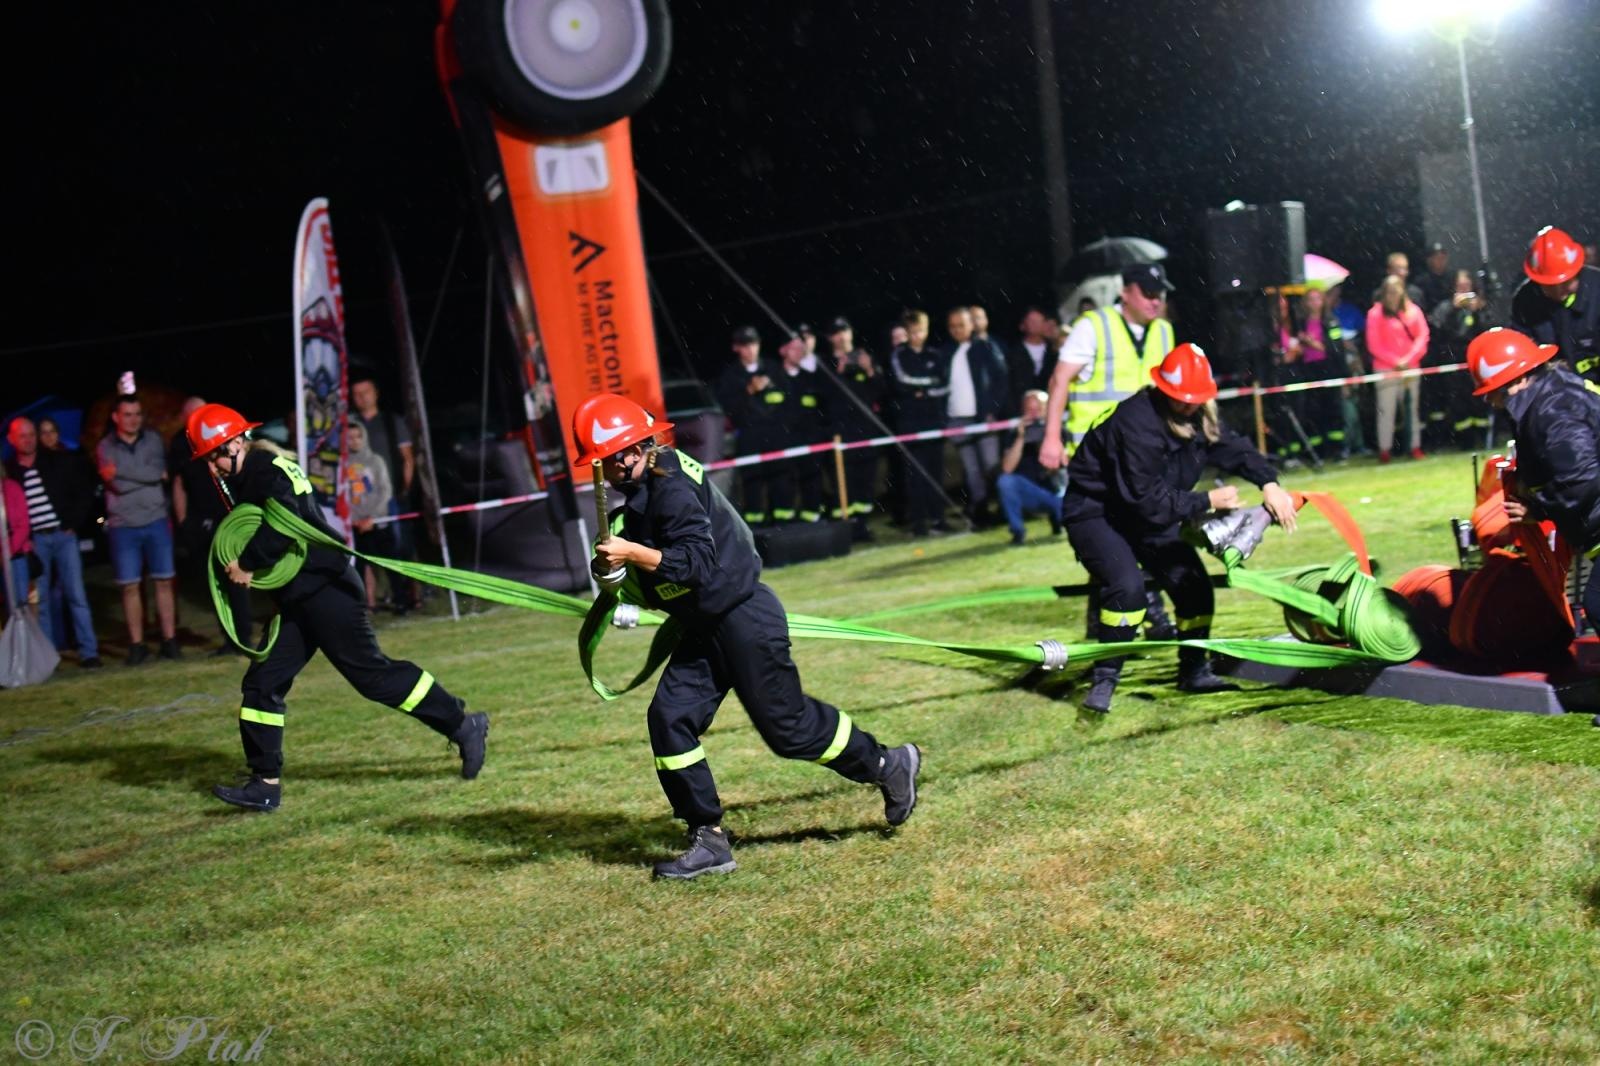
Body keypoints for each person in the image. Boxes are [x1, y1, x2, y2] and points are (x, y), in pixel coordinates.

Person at [575, 394, 921, 879]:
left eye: (610, 460)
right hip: (705, 625)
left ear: (631, 452)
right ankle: (708, 837)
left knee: (789, 730)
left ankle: (888, 764)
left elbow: (694, 565)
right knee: (670, 717)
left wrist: (632, 552)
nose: (609, 470)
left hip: (743, 616)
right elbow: (659, 582)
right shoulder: (645, 492)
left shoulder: (669, 483)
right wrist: (614, 574)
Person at [187, 402, 488, 813]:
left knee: (373, 677)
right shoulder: (259, 468)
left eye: (216, 456)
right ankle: (264, 784)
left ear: (238, 441)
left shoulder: (262, 469)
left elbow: (282, 523)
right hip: (300, 596)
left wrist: (247, 564)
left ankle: (462, 723)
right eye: (208, 460)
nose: (214, 468)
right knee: (262, 682)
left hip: (325, 590)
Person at [1063, 344, 1297, 713]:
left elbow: (1234, 448)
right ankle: (1104, 679)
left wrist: (1269, 483)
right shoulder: (1135, 423)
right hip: (1097, 512)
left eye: (1196, 399)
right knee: (1128, 587)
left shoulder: (1200, 416)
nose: (1190, 405)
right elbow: (1145, 499)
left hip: (1144, 513)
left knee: (1194, 585)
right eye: (1181, 399)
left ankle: (1194, 671)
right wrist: (1207, 502)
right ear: (1163, 390)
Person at [1039, 262, 1181, 641]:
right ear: (1126, 292)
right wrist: (1051, 437)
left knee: (1126, 534)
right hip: (1095, 456)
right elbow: (1060, 379)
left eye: (1160, 294)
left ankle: (1118, 617)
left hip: (1142, 455)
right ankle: (1151, 612)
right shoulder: (1093, 326)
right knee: (1122, 533)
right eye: (1148, 293)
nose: (1156, 301)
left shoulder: (1164, 332)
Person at [1467, 328, 1600, 628]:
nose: (1489, 401)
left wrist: (1538, 508)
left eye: (1492, 390)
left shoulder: (1553, 411)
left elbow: (1581, 480)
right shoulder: (1550, 396)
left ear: (1515, 382)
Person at [4, 417, 100, 666]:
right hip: (35, 541)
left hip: (62, 534)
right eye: (22, 436)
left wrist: (73, 523)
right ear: (11, 439)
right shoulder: (10, 470)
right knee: (41, 600)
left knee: (76, 594)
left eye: (31, 435)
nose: (29, 440)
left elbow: (82, 491)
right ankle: (49, 657)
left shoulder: (55, 461)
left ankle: (89, 652)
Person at [96, 393, 179, 663]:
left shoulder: (153, 440)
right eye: (128, 414)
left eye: (137, 414)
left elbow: (161, 473)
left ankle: (169, 640)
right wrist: (148, 476)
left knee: (164, 581)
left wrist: (121, 471)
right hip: (123, 525)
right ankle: (137, 645)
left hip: (156, 519)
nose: (134, 420)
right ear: (116, 417)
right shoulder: (105, 446)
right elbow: (116, 484)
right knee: (129, 586)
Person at [170, 396, 253, 654]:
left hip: (229, 518)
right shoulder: (179, 445)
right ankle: (228, 639)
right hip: (200, 522)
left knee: (236, 577)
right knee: (214, 583)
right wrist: (183, 520)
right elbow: (178, 483)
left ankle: (243, 637)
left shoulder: (223, 434)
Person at [350, 375, 420, 612]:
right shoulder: (351, 425)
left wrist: (404, 491)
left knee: (400, 547)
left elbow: (407, 458)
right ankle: (370, 600)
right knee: (364, 554)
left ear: (376, 393)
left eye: (365, 391)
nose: (361, 397)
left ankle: (410, 595)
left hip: (389, 498)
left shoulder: (391, 422)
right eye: (356, 393)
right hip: (361, 501)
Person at [713, 326, 788, 525]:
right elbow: (728, 408)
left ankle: (782, 522)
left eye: (754, 344)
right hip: (749, 435)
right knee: (752, 481)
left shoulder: (773, 368)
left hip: (776, 433)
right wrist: (748, 390)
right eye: (746, 345)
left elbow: (788, 398)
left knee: (780, 479)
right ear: (736, 348)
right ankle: (755, 525)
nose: (751, 349)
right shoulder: (731, 375)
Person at [942, 306, 1010, 525]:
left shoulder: (985, 348)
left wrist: (992, 411)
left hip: (983, 418)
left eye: (961, 324)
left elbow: (1001, 381)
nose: (957, 330)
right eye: (952, 326)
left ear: (971, 324)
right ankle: (980, 512)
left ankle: (1004, 507)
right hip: (957, 420)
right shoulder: (946, 352)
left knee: (992, 465)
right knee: (971, 470)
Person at [1510, 226, 1600, 385]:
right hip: (1555, 399)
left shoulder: (1597, 291)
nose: (1559, 291)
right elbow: (1521, 358)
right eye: (1550, 285)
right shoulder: (1525, 302)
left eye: (1565, 282)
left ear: (1577, 270)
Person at [888, 309, 951, 536]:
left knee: (936, 473)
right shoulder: (899, 355)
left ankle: (938, 519)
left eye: (921, 331)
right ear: (906, 332)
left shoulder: (936, 355)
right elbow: (901, 383)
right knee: (914, 475)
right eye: (913, 332)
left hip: (934, 422)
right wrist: (929, 385)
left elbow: (945, 385)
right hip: (910, 424)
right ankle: (919, 523)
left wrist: (923, 390)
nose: (917, 336)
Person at [823, 317, 885, 539]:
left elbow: (880, 391)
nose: (841, 336)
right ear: (830, 338)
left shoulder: (864, 357)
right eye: (836, 332)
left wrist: (869, 370)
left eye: (845, 331)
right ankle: (846, 529)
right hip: (841, 432)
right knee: (843, 483)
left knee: (866, 482)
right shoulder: (826, 364)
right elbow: (825, 397)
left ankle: (862, 526)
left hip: (866, 429)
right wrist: (838, 372)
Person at [1366, 275, 1430, 463]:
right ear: (1383, 293)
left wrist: (1408, 359)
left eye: (1396, 291)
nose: (1393, 296)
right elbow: (1374, 344)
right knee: (1386, 411)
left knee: (1412, 409)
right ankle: (1385, 449)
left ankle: (1414, 447)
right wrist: (1395, 361)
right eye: (1389, 292)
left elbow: (1423, 336)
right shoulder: (1375, 314)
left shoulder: (1413, 311)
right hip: (1386, 370)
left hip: (1411, 368)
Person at [1428, 270, 1492, 449]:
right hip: (1454, 359)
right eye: (1460, 287)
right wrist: (1454, 309)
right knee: (1459, 401)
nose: (1464, 291)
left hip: (1476, 357)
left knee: (1480, 400)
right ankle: (1465, 440)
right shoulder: (1445, 307)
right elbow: (1438, 331)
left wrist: (1478, 312)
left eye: (1467, 286)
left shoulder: (1479, 306)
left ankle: (1484, 437)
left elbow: (1487, 329)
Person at [996, 390, 1063, 545]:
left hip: (1054, 492)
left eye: (1038, 409)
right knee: (1005, 481)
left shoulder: (1059, 431)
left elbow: (1056, 469)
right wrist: (1021, 438)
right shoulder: (1015, 434)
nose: (1033, 414)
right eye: (1029, 410)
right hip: (1029, 492)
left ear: (1047, 409)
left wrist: (1047, 437)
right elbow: (1007, 469)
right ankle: (1017, 531)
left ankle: (1058, 518)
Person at [1291, 289, 1350, 459]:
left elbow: (1336, 350)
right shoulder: (1300, 324)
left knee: (1333, 409)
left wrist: (1312, 343)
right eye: (1310, 300)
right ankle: (1318, 450)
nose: (1314, 303)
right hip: (1309, 370)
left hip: (1329, 370)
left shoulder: (1331, 321)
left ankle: (1338, 449)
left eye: (1317, 299)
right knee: (1313, 411)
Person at [345, 422, 395, 610]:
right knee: (359, 567)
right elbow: (343, 495)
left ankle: (401, 598)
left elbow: (385, 491)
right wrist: (354, 519)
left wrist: (372, 517)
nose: (355, 441)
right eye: (350, 437)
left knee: (389, 563)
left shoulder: (376, 461)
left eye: (358, 436)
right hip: (356, 524)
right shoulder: (342, 465)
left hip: (378, 522)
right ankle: (366, 603)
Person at [1006, 306, 1060, 410]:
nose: (1035, 324)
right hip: (1021, 410)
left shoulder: (1054, 351)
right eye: (1031, 321)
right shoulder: (1013, 353)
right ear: (1022, 325)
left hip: (1052, 408)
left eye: (1039, 321)